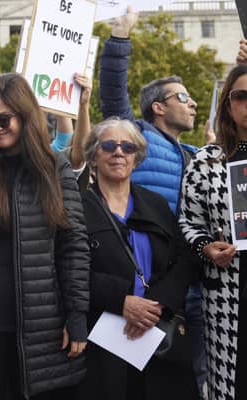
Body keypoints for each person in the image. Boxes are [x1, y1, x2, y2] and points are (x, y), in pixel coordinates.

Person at [0, 73, 90, 400]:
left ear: (25, 115)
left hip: (42, 323)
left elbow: (72, 246)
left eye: (3, 119)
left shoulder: (53, 168)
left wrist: (76, 316)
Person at [99, 9, 206, 396]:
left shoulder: (196, 154)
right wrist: (119, 41)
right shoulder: (136, 136)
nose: (192, 103)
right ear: (157, 107)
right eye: (183, 97)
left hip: (191, 282)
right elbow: (112, 93)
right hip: (150, 284)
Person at [79, 118, 198, 400]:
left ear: (137, 157)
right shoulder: (77, 206)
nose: (118, 152)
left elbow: (184, 259)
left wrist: (156, 303)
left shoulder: (155, 204)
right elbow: (68, 270)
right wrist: (121, 300)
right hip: (104, 342)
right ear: (94, 156)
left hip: (159, 336)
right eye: (109, 145)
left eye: (127, 147)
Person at [179, 63, 247, 400]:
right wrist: (206, 247)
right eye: (241, 96)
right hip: (227, 288)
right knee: (232, 380)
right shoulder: (206, 160)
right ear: (228, 105)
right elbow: (188, 222)